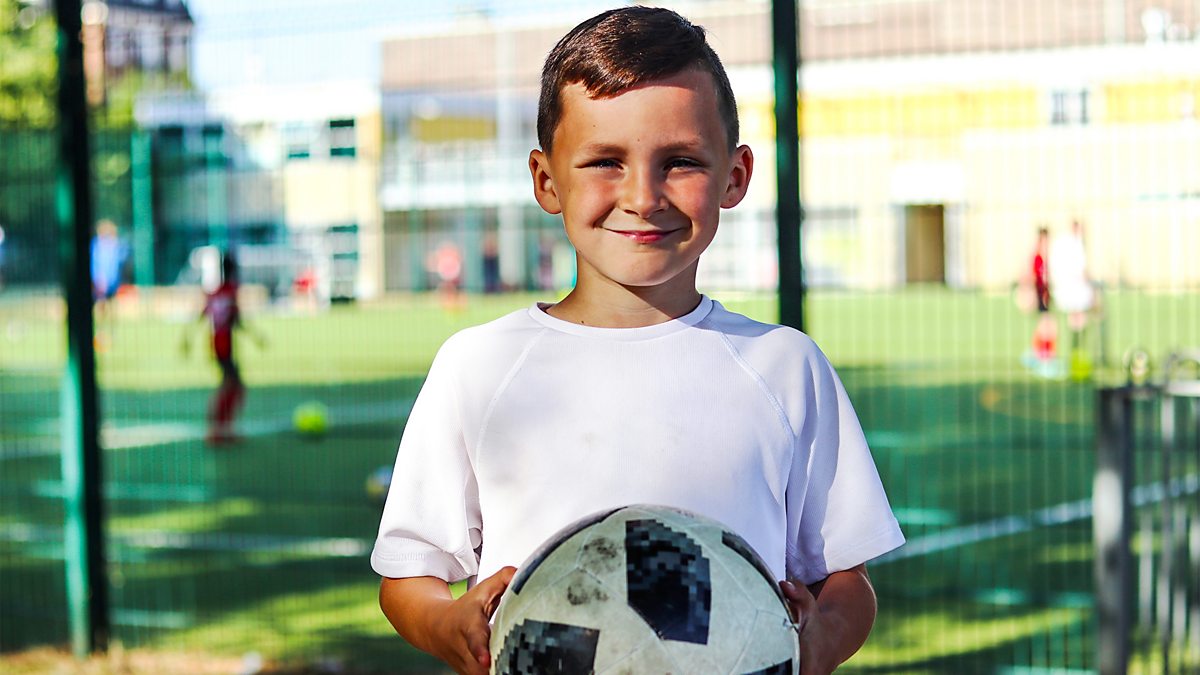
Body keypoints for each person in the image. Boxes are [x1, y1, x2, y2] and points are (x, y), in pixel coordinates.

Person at [371, 7, 904, 675]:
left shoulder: (785, 367)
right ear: (546, 180)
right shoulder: (479, 366)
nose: (643, 197)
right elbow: (409, 574)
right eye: (605, 161)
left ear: (735, 175)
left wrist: (821, 639)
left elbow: (846, 581)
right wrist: (446, 622)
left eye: (680, 162)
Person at [182, 252, 264, 445]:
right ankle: (218, 430)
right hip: (225, 345)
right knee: (232, 386)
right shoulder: (231, 291)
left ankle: (222, 429)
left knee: (231, 385)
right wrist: (256, 337)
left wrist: (187, 339)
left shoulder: (214, 293)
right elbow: (236, 320)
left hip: (216, 344)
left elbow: (202, 316)